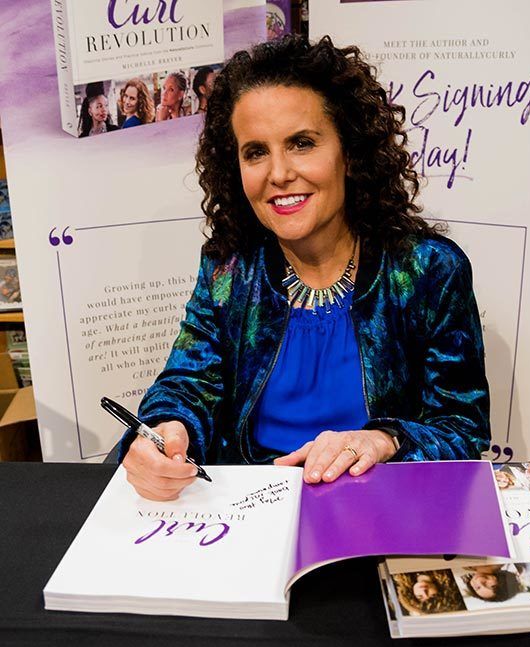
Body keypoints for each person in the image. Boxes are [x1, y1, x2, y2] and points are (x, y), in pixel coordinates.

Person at [120, 35, 490, 501]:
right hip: (250, 517)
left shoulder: (429, 270)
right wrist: (165, 430)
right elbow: (188, 383)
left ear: (349, 152)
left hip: (382, 514)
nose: (278, 173)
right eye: (255, 151)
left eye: (301, 143)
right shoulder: (227, 270)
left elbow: (463, 429)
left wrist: (383, 440)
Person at [393, 571, 465, 615]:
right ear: (442, 591)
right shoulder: (446, 570)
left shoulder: (398, 574)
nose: (424, 592)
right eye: (432, 596)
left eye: (420, 597)